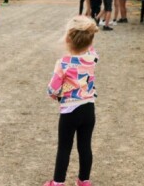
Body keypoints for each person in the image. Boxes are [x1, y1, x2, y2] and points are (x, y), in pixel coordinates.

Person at [43, 15, 99, 186]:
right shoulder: (93, 57)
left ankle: (58, 182)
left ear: (68, 38)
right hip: (89, 109)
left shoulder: (63, 63)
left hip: (69, 111)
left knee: (64, 148)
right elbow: (89, 48)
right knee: (85, 146)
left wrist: (57, 95)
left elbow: (52, 89)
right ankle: (84, 181)